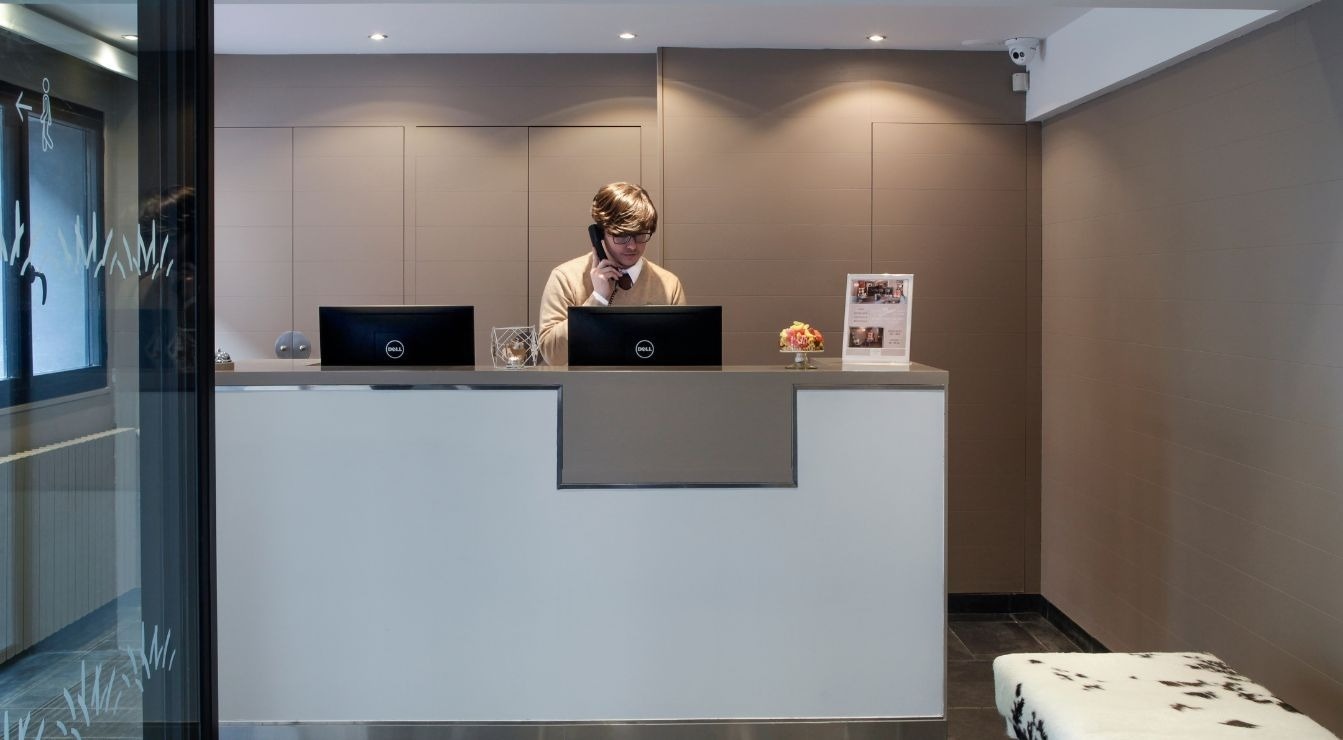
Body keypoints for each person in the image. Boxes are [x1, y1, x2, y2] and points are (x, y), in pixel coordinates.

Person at [538, 182, 686, 365]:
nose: (632, 245)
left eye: (640, 235)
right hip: (584, 390)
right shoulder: (565, 278)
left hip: (648, 390)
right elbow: (554, 356)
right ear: (599, 234)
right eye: (622, 235)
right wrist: (597, 299)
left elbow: (682, 359)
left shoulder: (668, 284)